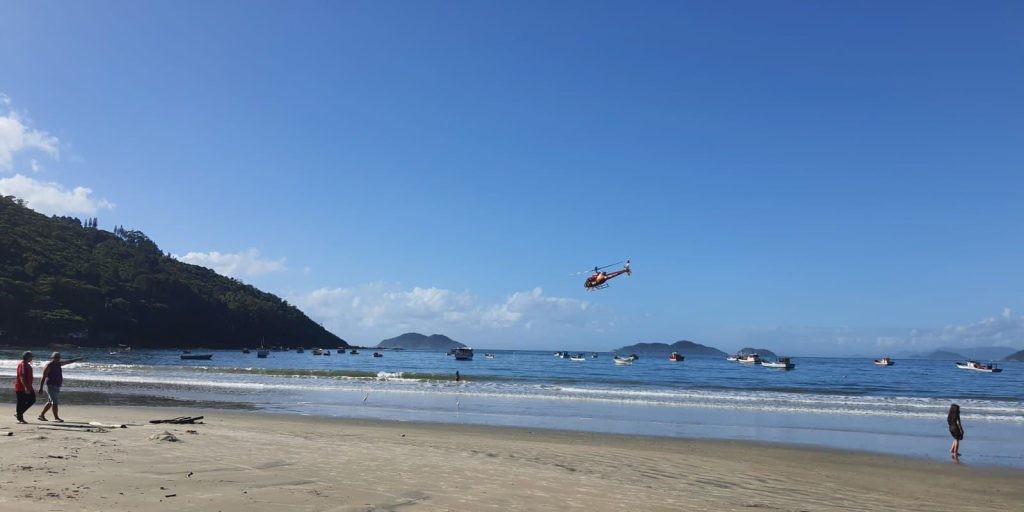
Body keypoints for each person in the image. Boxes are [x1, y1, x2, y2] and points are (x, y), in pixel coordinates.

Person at [37, 352, 83, 423]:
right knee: (55, 402)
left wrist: (77, 359)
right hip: (50, 385)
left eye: (58, 357)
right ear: (52, 358)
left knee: (50, 402)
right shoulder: (49, 365)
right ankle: (56, 418)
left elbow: (68, 362)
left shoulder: (59, 364)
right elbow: (43, 377)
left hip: (57, 385)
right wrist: (41, 388)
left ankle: (41, 415)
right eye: (56, 357)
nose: (57, 359)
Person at [13, 351, 35, 424]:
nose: (32, 358)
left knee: (32, 399)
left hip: (28, 386)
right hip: (21, 387)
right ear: (27, 357)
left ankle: (19, 414)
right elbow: (22, 377)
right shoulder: (22, 365)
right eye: (31, 356)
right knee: (21, 402)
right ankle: (20, 418)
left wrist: (28, 387)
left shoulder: (27, 365)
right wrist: (26, 387)